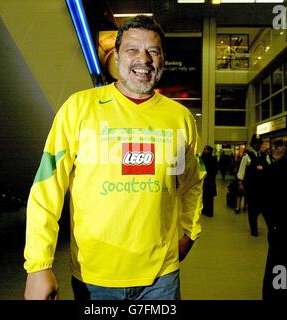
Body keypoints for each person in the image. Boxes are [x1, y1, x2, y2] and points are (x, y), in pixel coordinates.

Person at [23, 15, 206, 300]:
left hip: (161, 279)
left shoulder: (180, 119)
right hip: (95, 278)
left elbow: (192, 182)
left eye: (153, 51)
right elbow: (47, 188)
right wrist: (38, 265)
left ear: (162, 60)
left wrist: (189, 232)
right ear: (116, 58)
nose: (143, 59)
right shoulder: (79, 109)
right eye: (132, 50)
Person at [262, 140, 287, 300]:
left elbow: (265, 201)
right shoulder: (273, 169)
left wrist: (272, 225)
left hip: (278, 228)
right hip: (279, 226)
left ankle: (277, 291)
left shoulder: (272, 170)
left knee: (278, 262)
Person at [237, 134, 270, 236]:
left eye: (259, 143)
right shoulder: (247, 157)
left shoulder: (266, 156)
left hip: (263, 189)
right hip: (252, 189)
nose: (257, 145)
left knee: (265, 210)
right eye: (255, 143)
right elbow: (241, 172)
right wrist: (240, 184)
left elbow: (269, 171)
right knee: (252, 211)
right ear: (252, 145)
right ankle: (254, 230)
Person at [200, 145, 218, 217]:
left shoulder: (213, 159)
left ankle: (209, 212)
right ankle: (204, 210)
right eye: (205, 149)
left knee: (210, 197)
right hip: (203, 180)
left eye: (207, 150)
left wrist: (211, 178)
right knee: (204, 196)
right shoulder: (202, 158)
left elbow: (215, 170)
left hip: (210, 180)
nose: (206, 151)